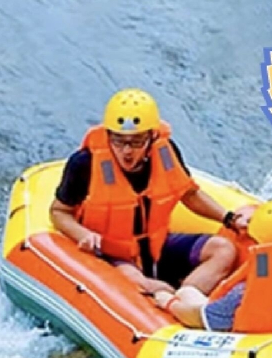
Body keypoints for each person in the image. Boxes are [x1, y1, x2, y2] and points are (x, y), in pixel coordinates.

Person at [50, 88, 256, 297]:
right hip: (113, 252)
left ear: (151, 137)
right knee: (143, 284)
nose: (127, 151)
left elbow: (189, 195)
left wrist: (229, 218)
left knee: (224, 249)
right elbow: (59, 212)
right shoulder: (85, 164)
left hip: (156, 246)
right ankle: (166, 300)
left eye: (136, 141)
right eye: (118, 140)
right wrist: (83, 234)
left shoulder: (165, 153)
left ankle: (184, 300)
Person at [155, 198, 272, 334]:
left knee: (186, 292)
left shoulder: (243, 293)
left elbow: (202, 319)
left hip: (255, 346)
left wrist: (168, 301)